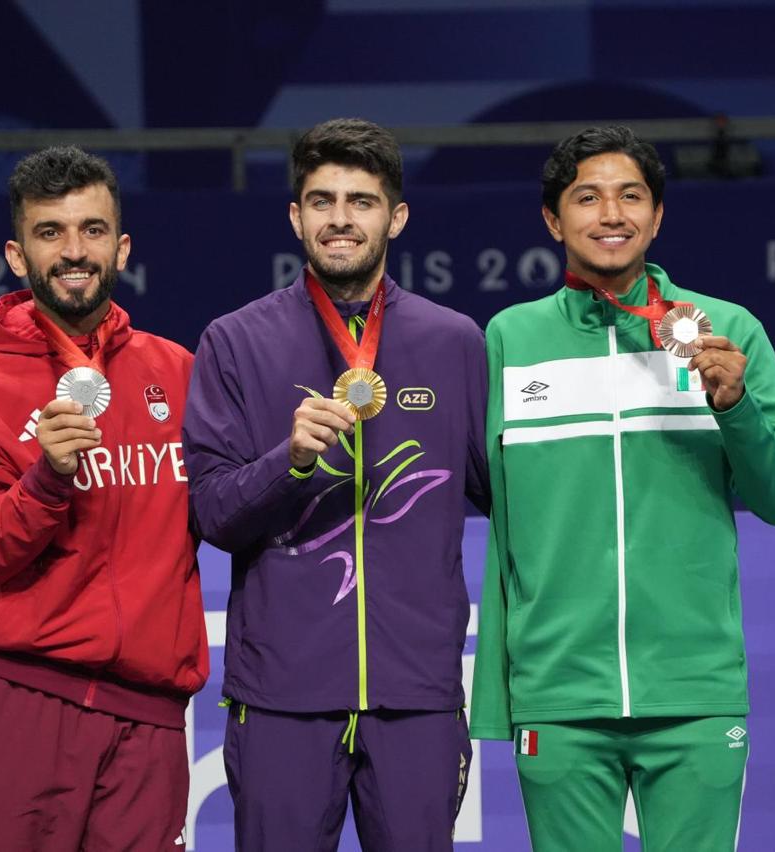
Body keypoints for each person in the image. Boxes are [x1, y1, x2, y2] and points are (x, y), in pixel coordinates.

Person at [470, 125, 775, 852]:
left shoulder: (728, 331)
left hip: (693, 690)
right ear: (554, 221)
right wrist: (505, 691)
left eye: (631, 196)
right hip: (559, 693)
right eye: (587, 198)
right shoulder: (509, 338)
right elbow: (499, 525)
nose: (611, 214)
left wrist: (734, 407)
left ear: (657, 216)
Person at [182, 118, 489, 851]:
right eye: (321, 201)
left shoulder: (454, 343)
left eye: (361, 200)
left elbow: (509, 496)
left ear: (396, 216)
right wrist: (287, 461)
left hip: (416, 693)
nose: (341, 219)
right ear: (295, 216)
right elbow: (214, 513)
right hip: (283, 695)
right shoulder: (235, 341)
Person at [0, 146, 209, 851]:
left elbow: (222, 505)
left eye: (91, 230)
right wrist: (45, 478)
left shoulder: (177, 372)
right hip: (20, 699)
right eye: (50, 232)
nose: (73, 251)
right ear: (17, 257)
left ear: (121, 247)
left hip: (147, 715)